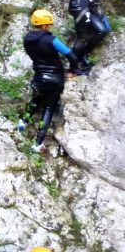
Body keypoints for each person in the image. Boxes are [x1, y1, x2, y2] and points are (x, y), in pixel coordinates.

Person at [20, 10, 79, 153]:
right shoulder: (51, 40)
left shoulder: (27, 39)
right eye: (49, 25)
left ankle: (22, 121)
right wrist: (72, 71)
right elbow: (72, 56)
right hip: (54, 79)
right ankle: (37, 143)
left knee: (36, 99)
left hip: (39, 77)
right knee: (48, 109)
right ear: (45, 25)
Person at [67, 0, 125, 75]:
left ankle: (84, 55)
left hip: (82, 5)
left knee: (103, 29)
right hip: (83, 6)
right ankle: (73, 69)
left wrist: (75, 1)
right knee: (82, 37)